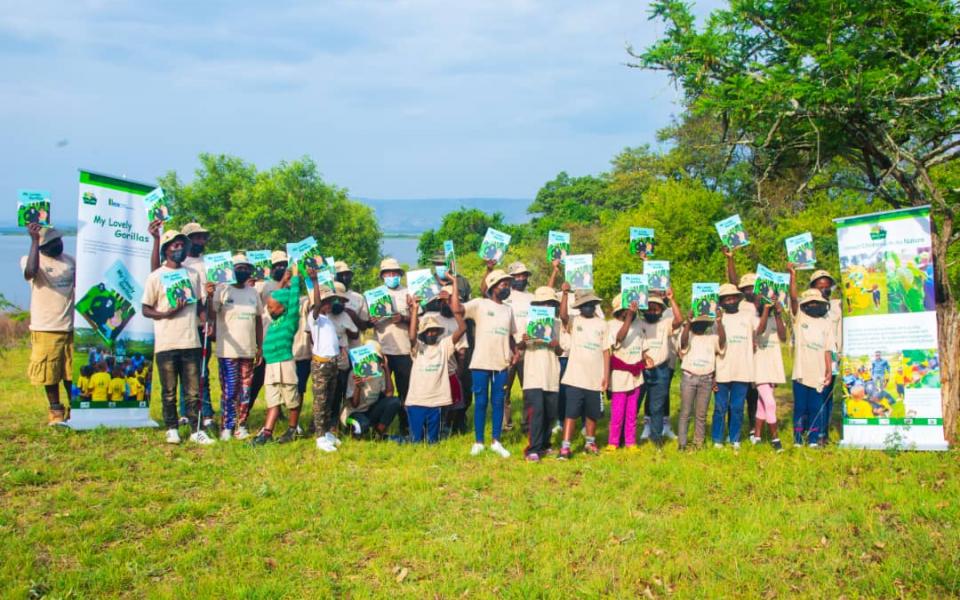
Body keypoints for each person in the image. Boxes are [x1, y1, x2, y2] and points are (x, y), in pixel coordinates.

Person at [141, 230, 211, 445]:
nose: (179, 248)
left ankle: (195, 429)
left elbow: (199, 304)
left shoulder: (193, 274)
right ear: (166, 250)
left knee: (192, 391)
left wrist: (205, 320)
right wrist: (165, 314)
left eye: (182, 245)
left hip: (191, 340)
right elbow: (145, 308)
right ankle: (172, 428)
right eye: (174, 245)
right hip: (166, 342)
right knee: (169, 391)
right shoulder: (155, 276)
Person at [21, 224, 76, 425]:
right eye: (52, 243)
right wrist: (34, 241)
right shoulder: (32, 259)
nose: (58, 245)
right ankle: (56, 412)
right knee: (50, 373)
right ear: (43, 246)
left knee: (71, 372)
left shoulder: (70, 261)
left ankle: (75, 409)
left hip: (70, 326)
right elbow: (30, 272)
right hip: (46, 327)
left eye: (59, 240)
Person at [207, 253, 263, 441]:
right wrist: (208, 295)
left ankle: (242, 425)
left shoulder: (253, 292)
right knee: (230, 391)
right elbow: (210, 314)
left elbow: (258, 321)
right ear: (232, 270)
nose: (243, 271)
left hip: (248, 350)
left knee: (245, 391)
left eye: (246, 269)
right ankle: (227, 427)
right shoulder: (222, 290)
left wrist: (260, 346)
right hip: (228, 351)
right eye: (239, 268)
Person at [462, 269, 518, 457]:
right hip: (480, 362)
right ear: (493, 287)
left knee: (498, 402)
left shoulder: (508, 309)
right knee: (481, 402)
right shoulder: (480, 304)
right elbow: (458, 310)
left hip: (501, 363)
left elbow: (510, 335)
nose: (507, 288)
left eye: (508, 285)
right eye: (503, 285)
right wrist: (453, 283)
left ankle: (496, 441)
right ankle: (478, 442)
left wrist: (516, 351)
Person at [789, 265, 843, 445]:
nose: (813, 305)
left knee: (816, 407)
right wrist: (792, 276)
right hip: (801, 374)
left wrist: (829, 370)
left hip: (820, 373)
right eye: (809, 302)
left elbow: (828, 349)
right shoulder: (800, 319)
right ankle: (798, 439)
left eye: (816, 303)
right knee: (800, 408)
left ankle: (815, 438)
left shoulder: (827, 320)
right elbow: (794, 299)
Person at [251, 265, 303, 446]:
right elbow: (277, 297)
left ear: (282, 308)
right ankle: (267, 432)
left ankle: (292, 429)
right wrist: (283, 283)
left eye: (272, 308)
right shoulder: (274, 320)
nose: (269, 310)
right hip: (271, 365)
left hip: (285, 363)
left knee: (291, 399)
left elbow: (293, 299)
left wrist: (295, 278)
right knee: (272, 400)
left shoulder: (290, 319)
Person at [406, 286, 466, 444]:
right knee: (415, 440)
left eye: (434, 331)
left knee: (433, 441)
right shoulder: (418, 348)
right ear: (423, 334)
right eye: (428, 331)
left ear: (438, 333)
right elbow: (412, 336)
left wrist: (454, 309)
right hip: (416, 401)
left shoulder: (444, 346)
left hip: (437, 402)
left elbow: (463, 328)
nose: (431, 333)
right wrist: (414, 310)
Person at [557, 286, 609, 459]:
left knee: (592, 413)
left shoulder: (602, 324)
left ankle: (590, 442)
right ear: (579, 307)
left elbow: (606, 351)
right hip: (574, 378)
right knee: (571, 413)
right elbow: (563, 316)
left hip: (595, 378)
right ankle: (565, 446)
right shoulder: (574, 321)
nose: (589, 307)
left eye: (591, 304)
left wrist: (606, 376)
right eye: (585, 304)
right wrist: (564, 294)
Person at [519, 286, 565, 461]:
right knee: (537, 411)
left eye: (551, 303)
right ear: (537, 305)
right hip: (533, 375)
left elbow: (561, 351)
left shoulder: (558, 324)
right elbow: (520, 347)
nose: (547, 306)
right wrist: (523, 340)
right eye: (543, 303)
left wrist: (556, 345)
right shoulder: (527, 321)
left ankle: (545, 444)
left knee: (550, 412)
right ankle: (533, 449)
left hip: (551, 374)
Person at [179, 222, 215, 432]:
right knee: (185, 370)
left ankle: (207, 412)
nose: (200, 241)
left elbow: (209, 298)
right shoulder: (180, 264)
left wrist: (209, 321)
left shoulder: (209, 263)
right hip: (182, 323)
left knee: (202, 370)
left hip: (203, 321)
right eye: (196, 237)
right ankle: (185, 412)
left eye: (202, 237)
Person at [711, 283, 757, 449]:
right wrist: (713, 374)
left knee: (737, 407)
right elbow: (714, 348)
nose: (730, 300)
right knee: (720, 407)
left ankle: (734, 438)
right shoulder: (715, 320)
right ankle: (717, 439)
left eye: (733, 297)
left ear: (739, 298)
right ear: (721, 302)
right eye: (726, 298)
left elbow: (755, 339)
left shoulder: (748, 317)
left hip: (743, 370)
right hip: (722, 370)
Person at [306, 272, 348, 452]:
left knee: (330, 399)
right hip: (321, 365)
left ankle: (327, 431)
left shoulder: (327, 320)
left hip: (332, 363)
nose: (331, 304)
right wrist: (315, 282)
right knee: (320, 401)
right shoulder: (314, 317)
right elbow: (316, 305)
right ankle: (320, 436)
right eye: (327, 301)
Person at [372, 258, 413, 434]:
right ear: (382, 276)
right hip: (382, 350)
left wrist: (403, 318)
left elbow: (418, 319)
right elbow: (367, 321)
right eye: (388, 274)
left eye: (395, 273)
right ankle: (380, 425)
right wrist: (371, 321)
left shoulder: (409, 293)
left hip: (404, 350)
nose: (391, 276)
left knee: (406, 390)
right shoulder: (374, 294)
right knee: (381, 391)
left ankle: (405, 424)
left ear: (400, 275)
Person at [421, 282, 469, 436]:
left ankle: (447, 427)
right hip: (429, 370)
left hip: (450, 370)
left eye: (450, 301)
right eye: (444, 301)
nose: (446, 304)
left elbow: (462, 350)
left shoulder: (458, 322)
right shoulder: (430, 317)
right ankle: (429, 428)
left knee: (453, 402)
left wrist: (459, 371)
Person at [248, 250, 290, 424]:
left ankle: (277, 411)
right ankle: (244, 411)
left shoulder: (288, 286)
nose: (281, 268)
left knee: (277, 380)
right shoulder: (262, 286)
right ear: (271, 268)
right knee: (257, 379)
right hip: (265, 338)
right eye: (277, 265)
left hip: (280, 340)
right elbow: (268, 305)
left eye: (284, 265)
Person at [636, 291, 683, 446]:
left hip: (661, 369)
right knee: (634, 403)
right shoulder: (639, 323)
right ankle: (626, 437)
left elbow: (679, 320)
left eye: (655, 309)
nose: (652, 312)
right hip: (641, 369)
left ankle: (656, 438)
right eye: (648, 309)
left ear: (662, 310)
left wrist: (672, 299)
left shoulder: (665, 323)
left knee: (657, 406)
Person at [606, 297, 652, 451]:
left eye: (632, 309)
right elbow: (619, 338)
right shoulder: (612, 325)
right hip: (620, 374)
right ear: (620, 311)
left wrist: (646, 357)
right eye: (627, 310)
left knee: (632, 412)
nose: (630, 312)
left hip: (636, 375)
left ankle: (630, 441)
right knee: (618, 412)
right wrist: (630, 317)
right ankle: (613, 442)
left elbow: (642, 346)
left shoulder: (638, 324)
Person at [677, 312, 726, 450]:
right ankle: (682, 443)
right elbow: (683, 342)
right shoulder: (688, 335)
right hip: (689, 377)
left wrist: (719, 322)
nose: (701, 325)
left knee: (701, 414)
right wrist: (687, 322)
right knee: (686, 412)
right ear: (693, 324)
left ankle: (698, 442)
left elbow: (722, 342)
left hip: (706, 379)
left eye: (704, 323)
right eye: (698, 323)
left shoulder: (711, 337)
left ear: (707, 326)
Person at [341, 341, 401, 439]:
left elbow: (389, 394)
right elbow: (354, 404)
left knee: (395, 401)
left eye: (375, 358)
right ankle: (356, 430)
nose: (372, 361)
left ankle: (378, 432)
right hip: (354, 413)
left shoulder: (380, 373)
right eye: (369, 357)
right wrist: (358, 387)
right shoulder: (354, 374)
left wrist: (386, 369)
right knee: (364, 425)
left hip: (370, 410)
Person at [752, 301, 786, 451]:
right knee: (771, 403)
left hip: (773, 367)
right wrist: (765, 310)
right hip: (759, 367)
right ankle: (775, 439)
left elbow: (783, 337)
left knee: (763, 403)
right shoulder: (753, 318)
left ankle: (757, 436)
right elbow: (759, 331)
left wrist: (778, 314)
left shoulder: (775, 319)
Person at [328, 281, 360, 437]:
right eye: (334, 300)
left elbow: (355, 334)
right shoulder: (323, 314)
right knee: (324, 393)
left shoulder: (345, 315)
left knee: (339, 392)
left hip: (342, 361)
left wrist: (349, 327)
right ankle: (319, 423)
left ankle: (334, 423)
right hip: (325, 360)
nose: (337, 303)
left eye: (340, 300)